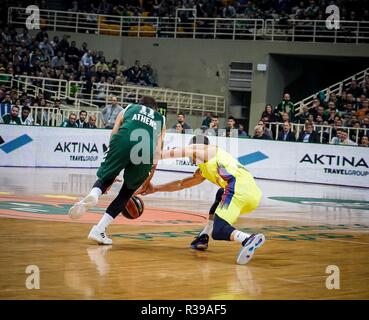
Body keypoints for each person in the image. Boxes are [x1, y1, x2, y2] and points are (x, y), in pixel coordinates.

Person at [138, 135, 265, 265]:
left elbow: (185, 151)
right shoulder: (204, 168)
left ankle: (247, 238)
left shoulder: (207, 151)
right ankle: (203, 237)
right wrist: (156, 188)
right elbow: (182, 184)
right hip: (252, 196)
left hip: (238, 190)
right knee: (220, 194)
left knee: (219, 231)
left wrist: (154, 155)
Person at [68, 96, 166, 245]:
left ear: (139, 104)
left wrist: (113, 159)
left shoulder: (129, 108)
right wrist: (148, 178)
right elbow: (158, 150)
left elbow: (114, 131)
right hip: (146, 150)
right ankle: (99, 229)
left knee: (106, 177)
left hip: (123, 139)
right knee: (126, 193)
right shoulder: (162, 119)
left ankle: (94, 194)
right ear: (155, 109)